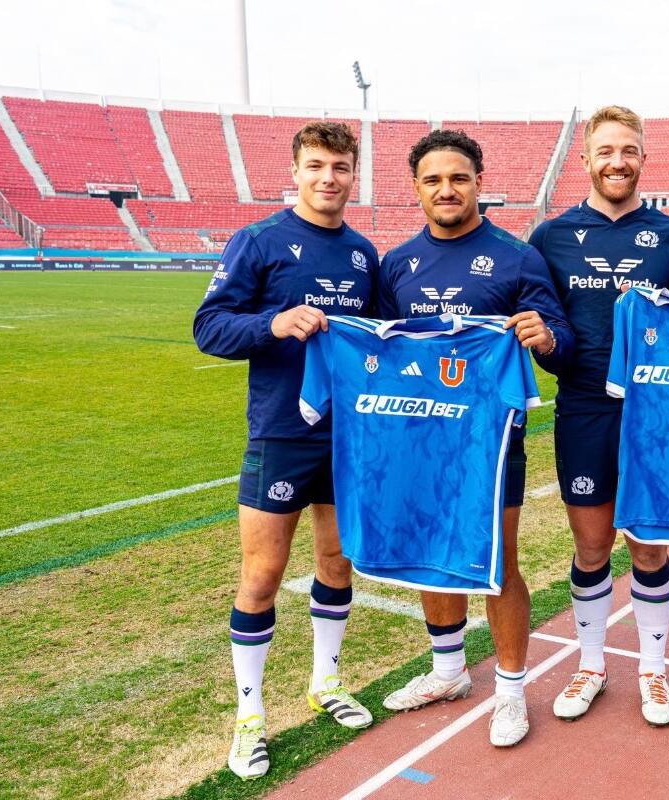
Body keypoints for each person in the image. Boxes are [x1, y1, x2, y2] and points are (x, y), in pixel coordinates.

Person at [193, 121, 379, 781]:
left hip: (346, 435)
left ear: (353, 176)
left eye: (340, 168)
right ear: (296, 172)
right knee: (264, 574)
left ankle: (325, 682)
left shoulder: (362, 254)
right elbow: (208, 326)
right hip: (279, 434)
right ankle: (249, 720)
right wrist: (273, 323)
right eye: (317, 166)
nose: (329, 178)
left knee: (335, 561)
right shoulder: (260, 242)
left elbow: (379, 338)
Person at [375, 129, 574, 747]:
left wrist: (545, 338)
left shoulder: (517, 257)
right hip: (418, 436)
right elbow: (381, 346)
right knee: (435, 548)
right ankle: (448, 671)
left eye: (458, 178)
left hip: (490, 443)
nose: (446, 189)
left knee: (498, 562)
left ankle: (511, 693)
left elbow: (561, 342)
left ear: (479, 183)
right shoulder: (398, 263)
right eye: (433, 180)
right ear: (416, 189)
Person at [528, 106, 669, 727]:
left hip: (655, 415)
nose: (617, 162)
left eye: (628, 150)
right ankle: (593, 663)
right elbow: (544, 324)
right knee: (592, 544)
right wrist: (548, 345)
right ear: (585, 159)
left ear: (643, 158)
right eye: (605, 151)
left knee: (649, 545)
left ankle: (653, 672)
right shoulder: (550, 237)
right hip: (582, 408)